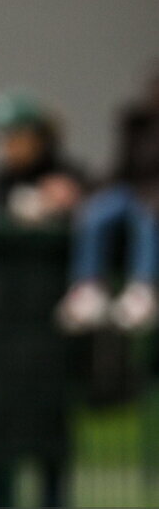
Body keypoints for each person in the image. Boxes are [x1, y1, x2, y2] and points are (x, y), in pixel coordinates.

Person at [0, 91, 85, 509]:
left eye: (15, 136)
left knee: (52, 453)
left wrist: (66, 204)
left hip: (53, 346)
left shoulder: (72, 180)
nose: (6, 146)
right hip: (0, 345)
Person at [57, 64, 159, 333]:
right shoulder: (135, 122)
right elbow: (120, 169)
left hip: (152, 199)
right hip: (130, 191)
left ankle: (142, 289)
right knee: (94, 214)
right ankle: (88, 286)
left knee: (147, 219)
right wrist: (87, 192)